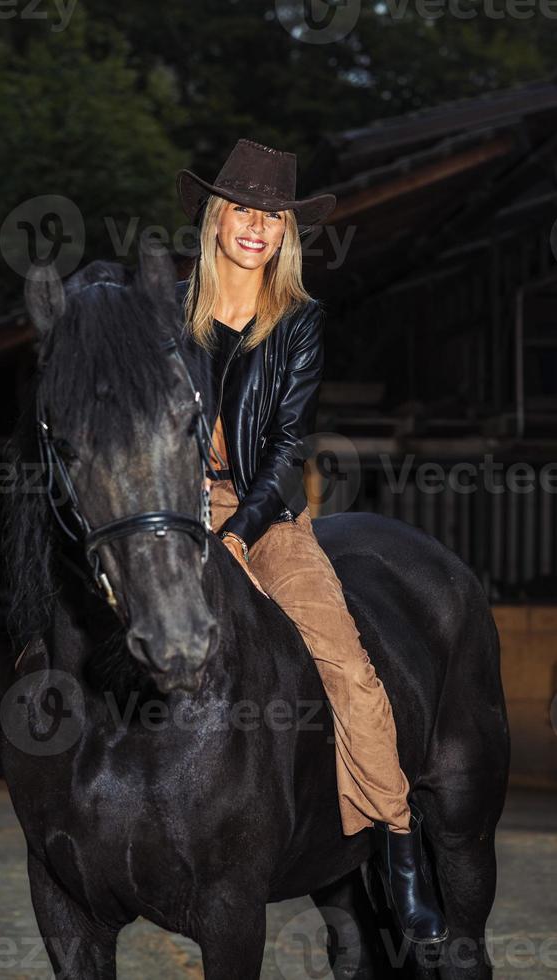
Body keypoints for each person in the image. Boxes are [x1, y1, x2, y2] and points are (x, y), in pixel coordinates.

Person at [174, 138, 447, 944]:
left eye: (273, 216)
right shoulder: (172, 311)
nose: (257, 226)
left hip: (265, 514)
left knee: (348, 663)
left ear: (285, 233)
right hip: (171, 508)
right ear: (218, 219)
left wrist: (239, 532)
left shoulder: (297, 322)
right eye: (245, 210)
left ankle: (399, 849)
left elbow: (289, 448)